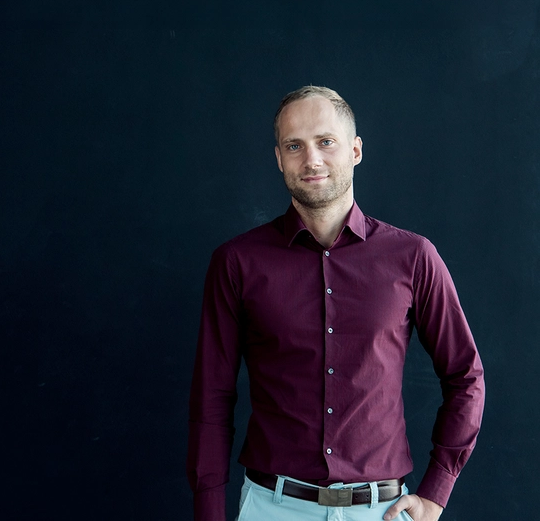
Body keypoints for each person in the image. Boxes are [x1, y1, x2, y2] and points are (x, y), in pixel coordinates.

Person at [187, 86, 485, 521]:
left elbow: (465, 376)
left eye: (325, 141)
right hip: (271, 509)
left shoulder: (413, 256)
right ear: (279, 158)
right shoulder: (237, 262)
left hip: (380, 511)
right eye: (295, 146)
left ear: (355, 150)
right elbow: (211, 397)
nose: (311, 160)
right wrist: (209, 512)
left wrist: (436, 491)